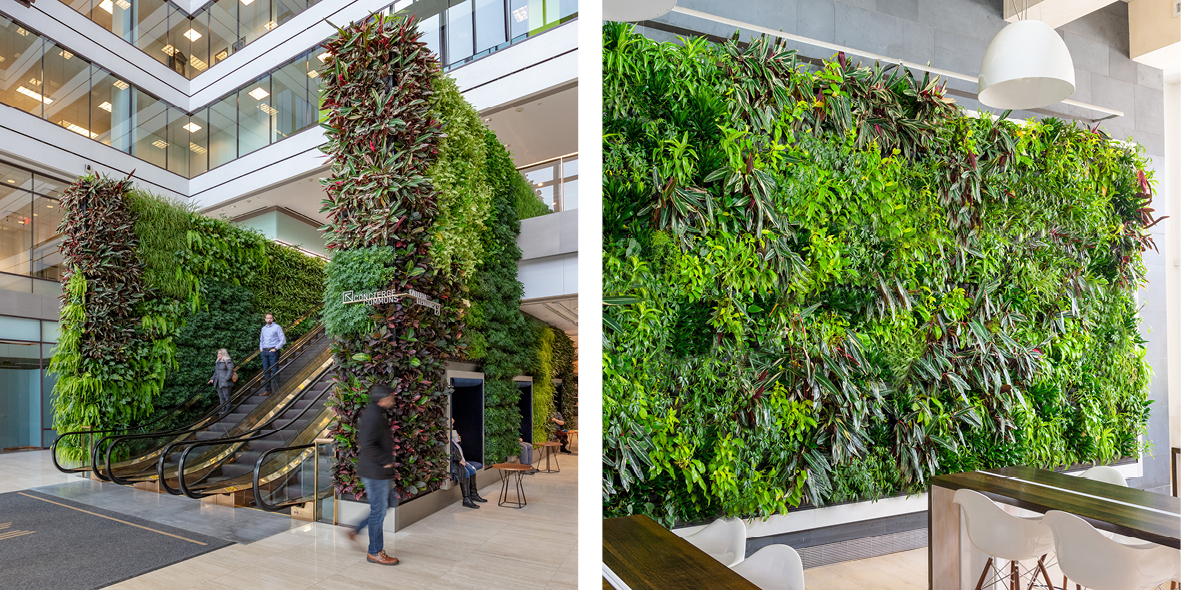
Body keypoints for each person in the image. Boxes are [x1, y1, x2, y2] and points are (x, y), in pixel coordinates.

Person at [348, 384, 400, 566]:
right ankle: (375, 552)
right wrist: (384, 461)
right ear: (383, 399)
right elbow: (367, 444)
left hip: (379, 471)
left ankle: (356, 529)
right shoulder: (372, 415)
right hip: (375, 472)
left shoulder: (378, 413)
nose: (393, 400)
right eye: (391, 397)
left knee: (381, 507)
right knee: (379, 510)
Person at [450, 421, 487, 508]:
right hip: (455, 463)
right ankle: (466, 499)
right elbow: (450, 452)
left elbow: (456, 449)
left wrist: (457, 441)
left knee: (473, 469)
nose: (452, 426)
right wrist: (459, 460)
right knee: (466, 473)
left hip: (461, 460)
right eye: (451, 424)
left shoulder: (451, 436)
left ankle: (473, 494)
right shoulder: (445, 437)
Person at [258, 312, 286, 396]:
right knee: (266, 371)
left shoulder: (277, 327)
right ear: (265, 319)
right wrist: (261, 349)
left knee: (274, 370)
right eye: (267, 318)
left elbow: (283, 340)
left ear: (272, 319)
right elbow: (261, 340)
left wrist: (276, 348)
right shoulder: (263, 329)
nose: (269, 319)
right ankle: (268, 390)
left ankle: (277, 390)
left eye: (270, 318)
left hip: (273, 351)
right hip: (264, 351)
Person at [207, 349, 234, 416]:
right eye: (218, 353)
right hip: (218, 382)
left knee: (226, 396)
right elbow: (216, 372)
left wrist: (226, 379)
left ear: (224, 354)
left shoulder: (228, 360)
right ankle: (223, 408)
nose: (219, 355)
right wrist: (212, 379)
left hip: (225, 382)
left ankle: (227, 409)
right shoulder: (218, 362)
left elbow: (230, 370)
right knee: (221, 396)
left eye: (220, 354)